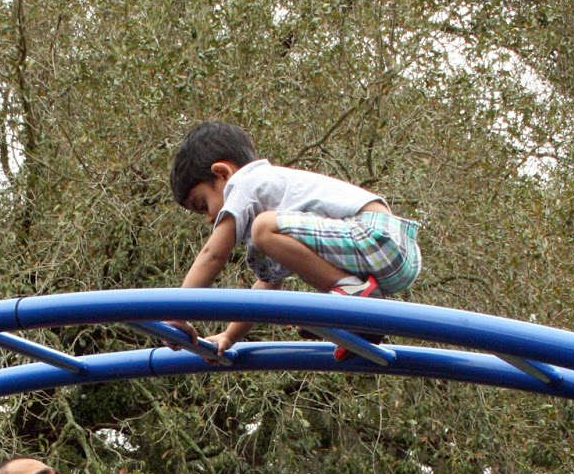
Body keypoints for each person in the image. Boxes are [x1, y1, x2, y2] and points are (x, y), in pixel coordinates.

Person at [168, 120, 421, 359]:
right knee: (264, 236)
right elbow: (266, 288)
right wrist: (229, 336)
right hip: (392, 254)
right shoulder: (281, 213)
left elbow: (213, 254)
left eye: (203, 205)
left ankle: (351, 290)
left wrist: (176, 312)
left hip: (376, 236)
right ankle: (359, 324)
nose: (209, 219)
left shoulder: (245, 184)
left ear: (222, 173)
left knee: (263, 227)